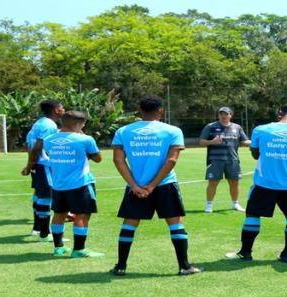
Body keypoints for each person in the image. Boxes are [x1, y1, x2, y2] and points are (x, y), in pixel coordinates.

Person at [110, 95, 201, 276]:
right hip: (165, 184)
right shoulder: (172, 131)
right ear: (161, 110)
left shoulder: (123, 131)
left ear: (140, 110)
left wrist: (135, 186)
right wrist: (152, 186)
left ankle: (120, 266)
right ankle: (185, 266)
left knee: (129, 224)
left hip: (136, 187)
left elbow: (118, 160)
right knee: (175, 224)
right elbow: (171, 161)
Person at [226, 100, 287, 263]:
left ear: (280, 112)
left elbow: (255, 153)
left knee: (253, 215)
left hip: (265, 181)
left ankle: (245, 253)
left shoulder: (261, 129)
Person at [43, 111, 103, 257]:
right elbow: (98, 158)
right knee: (82, 215)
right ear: (77, 124)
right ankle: (79, 249)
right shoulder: (85, 139)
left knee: (59, 214)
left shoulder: (48, 140)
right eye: (83, 124)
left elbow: (52, 155)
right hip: (80, 183)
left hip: (58, 184)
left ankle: (58, 247)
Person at [21, 99, 65, 241]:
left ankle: (37, 228)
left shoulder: (40, 122)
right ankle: (45, 234)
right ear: (56, 110)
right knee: (46, 196)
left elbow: (29, 143)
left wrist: (31, 163)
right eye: (62, 107)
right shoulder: (48, 125)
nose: (64, 109)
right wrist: (30, 164)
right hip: (43, 165)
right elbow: (38, 146)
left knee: (39, 195)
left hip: (38, 164)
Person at [199, 107, 251, 212]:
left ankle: (235, 204)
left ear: (231, 115)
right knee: (213, 182)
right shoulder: (210, 126)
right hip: (215, 160)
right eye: (221, 114)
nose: (223, 116)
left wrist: (257, 142)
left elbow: (244, 141)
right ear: (218, 115)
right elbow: (201, 142)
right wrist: (212, 142)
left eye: (226, 114)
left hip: (233, 160)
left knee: (234, 182)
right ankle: (209, 205)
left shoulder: (237, 127)